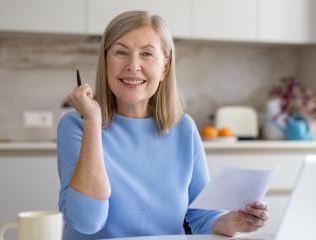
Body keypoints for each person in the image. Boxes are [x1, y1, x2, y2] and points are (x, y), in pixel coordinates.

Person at [57, 10, 269, 240]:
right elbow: (87, 222)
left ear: (165, 68)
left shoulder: (183, 128)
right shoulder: (77, 125)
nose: (133, 65)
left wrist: (231, 222)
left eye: (147, 54)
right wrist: (93, 123)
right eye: (121, 52)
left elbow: (201, 217)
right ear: (106, 61)